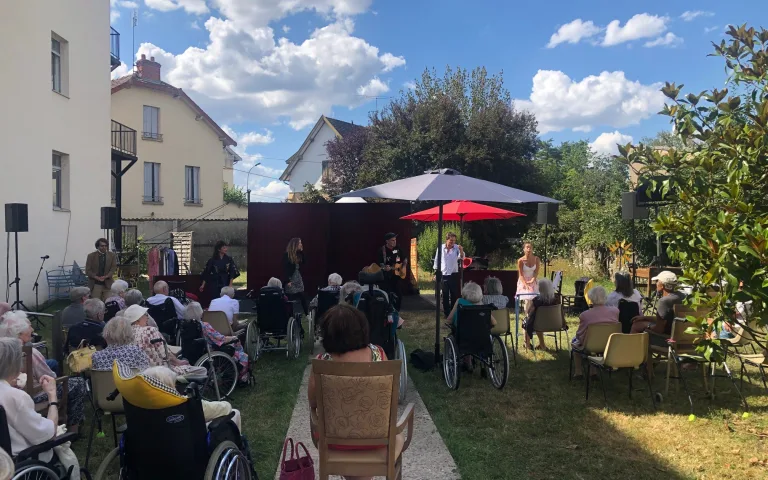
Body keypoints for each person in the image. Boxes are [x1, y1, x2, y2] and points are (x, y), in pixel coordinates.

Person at [308, 304, 388, 473]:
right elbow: (390, 397)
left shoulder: (322, 361)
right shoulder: (379, 354)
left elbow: (313, 403)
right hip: (378, 439)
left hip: (334, 441)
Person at [0, 311, 86, 434]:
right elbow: (51, 377)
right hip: (34, 395)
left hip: (8, 393)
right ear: (20, 334)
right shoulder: (30, 353)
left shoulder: (3, 350)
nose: (32, 329)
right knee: (78, 383)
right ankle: (73, 428)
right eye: (29, 327)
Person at [0, 338, 61, 464]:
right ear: (14, 364)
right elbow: (49, 434)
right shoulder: (16, 397)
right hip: (21, 462)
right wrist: (52, 396)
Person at [143, 366, 242, 431]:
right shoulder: (184, 403)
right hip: (192, 445)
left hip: (159, 449)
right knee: (234, 412)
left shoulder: (141, 409)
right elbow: (226, 408)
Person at [124, 304, 207, 378]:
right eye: (145, 315)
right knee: (202, 370)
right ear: (138, 319)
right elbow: (165, 355)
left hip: (139, 375)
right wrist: (178, 362)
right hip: (161, 373)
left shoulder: (126, 335)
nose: (148, 317)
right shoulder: (149, 330)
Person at [185, 302, 249, 383]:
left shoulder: (186, 326)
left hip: (195, 353)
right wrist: (233, 338)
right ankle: (242, 375)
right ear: (200, 312)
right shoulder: (204, 325)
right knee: (239, 347)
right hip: (211, 351)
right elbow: (220, 339)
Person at [571, 286, 620, 379]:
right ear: (605, 297)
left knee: (576, 342)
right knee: (592, 342)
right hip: (610, 344)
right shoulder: (615, 311)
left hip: (591, 344)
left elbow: (579, 334)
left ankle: (578, 372)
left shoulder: (585, 315)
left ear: (591, 298)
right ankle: (593, 372)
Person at [433, 232, 465, 318]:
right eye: (451, 241)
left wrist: (461, 250)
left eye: (454, 241)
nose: (452, 243)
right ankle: (446, 313)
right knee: (445, 294)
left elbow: (462, 257)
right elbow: (436, 260)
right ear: (446, 240)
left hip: (453, 274)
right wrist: (436, 272)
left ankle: (453, 313)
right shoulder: (441, 247)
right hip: (444, 274)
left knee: (454, 294)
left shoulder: (456, 248)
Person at [523, 278, 559, 350]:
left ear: (540, 288)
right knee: (538, 321)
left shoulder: (537, 300)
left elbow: (529, 313)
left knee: (526, 321)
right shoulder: (556, 299)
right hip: (556, 324)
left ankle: (527, 344)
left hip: (539, 324)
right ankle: (542, 345)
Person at [379, 233, 406, 311]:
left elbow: (405, 259)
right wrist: (384, 267)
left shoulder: (398, 249)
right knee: (387, 293)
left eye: (395, 240)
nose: (394, 242)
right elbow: (380, 264)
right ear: (387, 241)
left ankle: (397, 311)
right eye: (392, 240)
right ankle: (388, 311)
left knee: (399, 294)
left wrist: (403, 267)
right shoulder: (382, 250)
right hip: (386, 276)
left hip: (397, 276)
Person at [282, 237, 308, 319]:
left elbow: (304, 262)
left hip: (298, 278)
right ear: (295, 244)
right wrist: (288, 280)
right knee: (290, 298)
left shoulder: (299, 254)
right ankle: (290, 316)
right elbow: (285, 269)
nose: (301, 244)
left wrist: (302, 251)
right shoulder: (287, 255)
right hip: (290, 278)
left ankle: (307, 314)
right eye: (300, 243)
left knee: (302, 296)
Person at [516, 242, 540, 314]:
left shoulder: (536, 259)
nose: (529, 249)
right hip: (523, 281)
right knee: (527, 299)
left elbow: (536, 272)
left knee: (533, 300)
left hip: (533, 280)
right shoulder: (520, 261)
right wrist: (525, 284)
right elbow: (521, 275)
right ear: (524, 249)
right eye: (527, 247)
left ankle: (533, 315)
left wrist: (533, 279)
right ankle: (527, 315)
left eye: (530, 247)